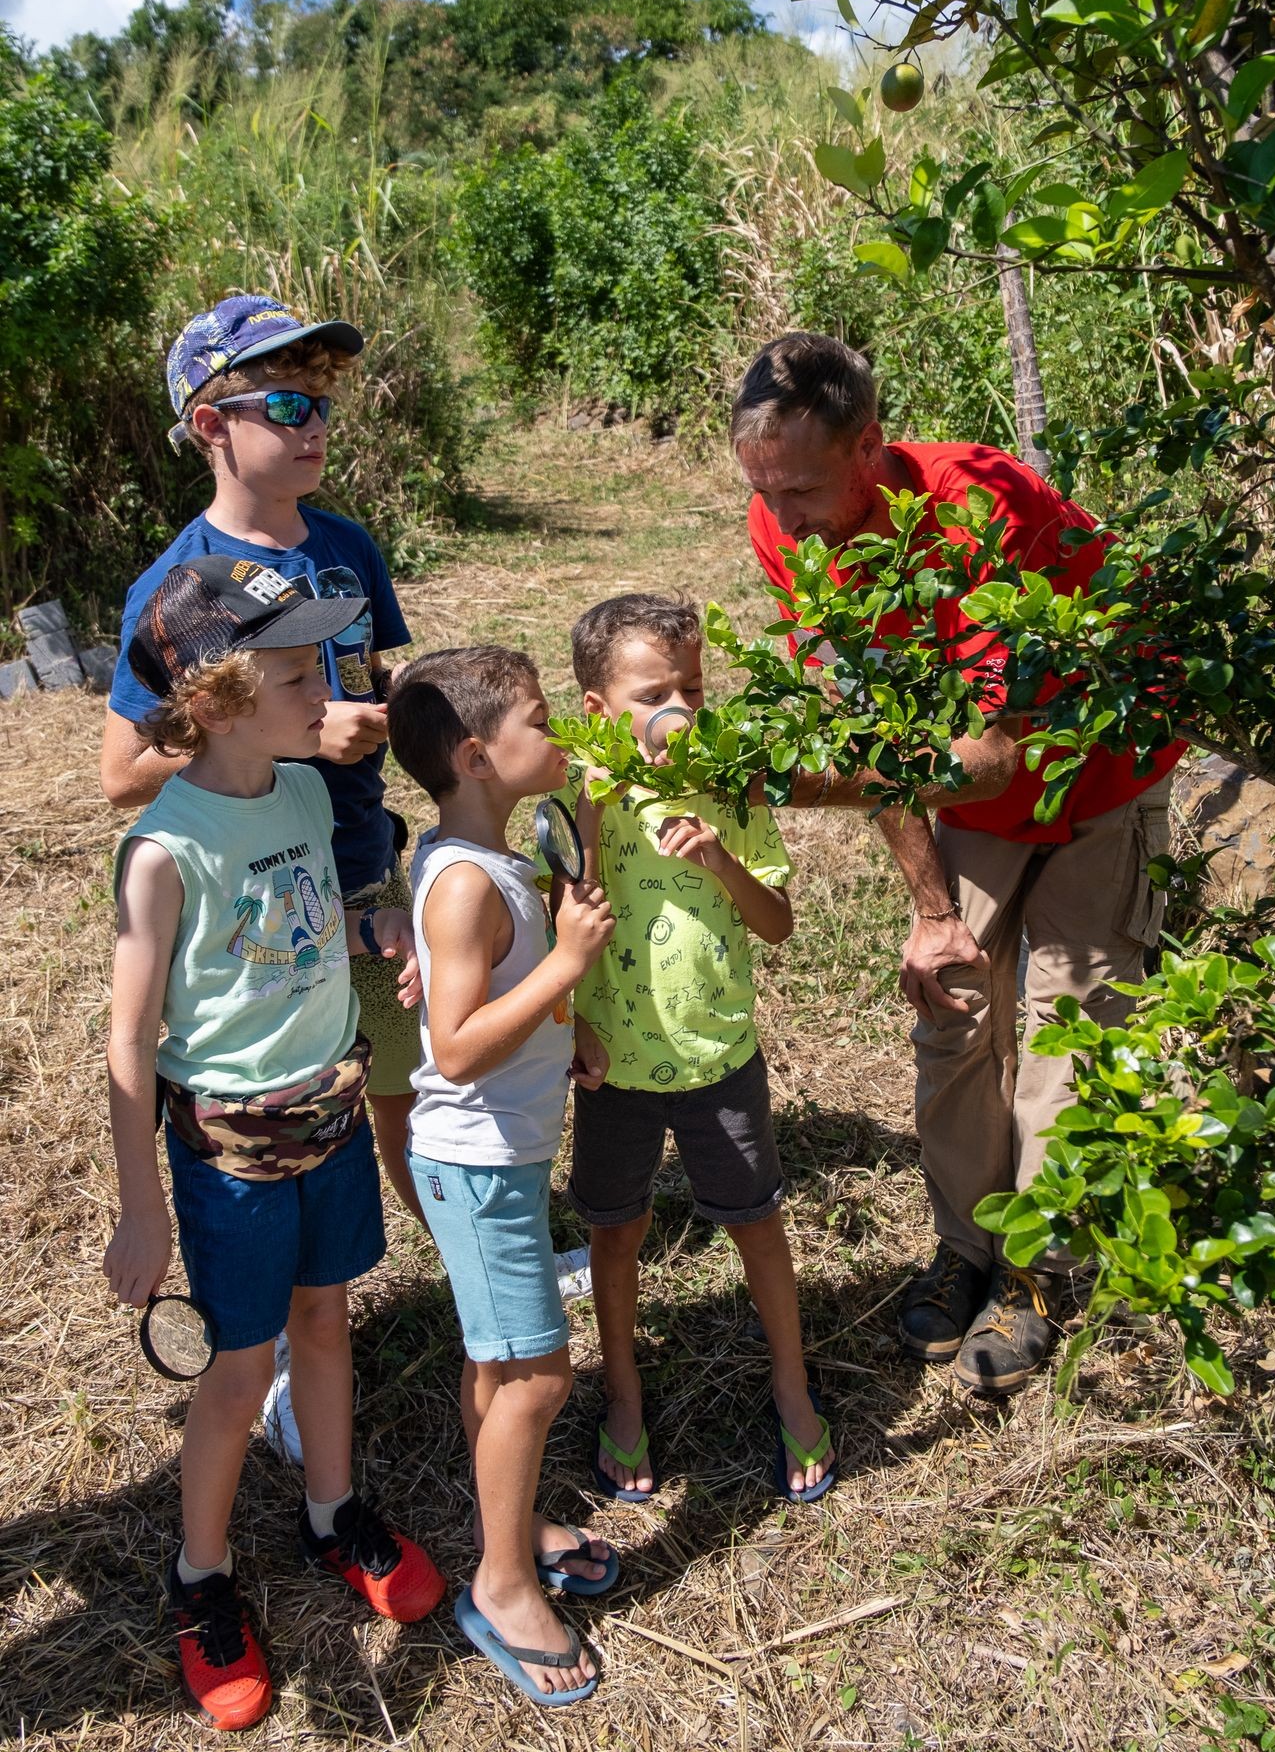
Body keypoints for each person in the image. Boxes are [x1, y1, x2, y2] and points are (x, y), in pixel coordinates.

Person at [731, 332, 1184, 1393]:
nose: (780, 519)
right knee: (951, 1003)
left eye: (799, 488)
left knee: (1072, 1024)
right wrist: (930, 906)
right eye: (760, 490)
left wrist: (787, 785)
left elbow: (984, 762)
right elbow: (878, 720)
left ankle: (1031, 1272)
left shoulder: (979, 505)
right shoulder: (784, 524)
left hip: (1093, 768)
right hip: (955, 769)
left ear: (871, 447)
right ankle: (965, 1243)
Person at [104, 556, 443, 1734]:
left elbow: (313, 908)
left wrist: (373, 916)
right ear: (218, 697)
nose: (328, 692)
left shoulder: (302, 795)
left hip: (335, 1119)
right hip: (231, 1158)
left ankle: (333, 1509)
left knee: (326, 1320)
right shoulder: (164, 850)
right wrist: (141, 1205)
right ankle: (200, 1578)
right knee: (241, 1373)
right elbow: (133, 1039)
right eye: (300, 671)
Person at [99, 295, 423, 1229]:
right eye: (284, 407)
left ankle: (448, 1269)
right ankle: (273, 1305)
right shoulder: (177, 587)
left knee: (396, 1087)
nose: (314, 424)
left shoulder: (347, 547)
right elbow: (123, 772)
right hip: (262, 900)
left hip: (359, 867)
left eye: (319, 403)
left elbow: (370, 672)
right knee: (278, 1099)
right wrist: (300, 741)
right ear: (211, 425)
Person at [386, 646, 618, 1707]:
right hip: (475, 1166)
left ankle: (510, 1523)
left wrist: (558, 1026)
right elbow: (455, 1044)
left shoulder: (493, 859)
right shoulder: (467, 883)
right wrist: (567, 967)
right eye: (537, 717)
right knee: (536, 1373)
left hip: (500, 1156)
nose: (557, 729)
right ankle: (504, 1583)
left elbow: (494, 1008)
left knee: (498, 1360)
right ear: (479, 756)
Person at [567, 594, 837, 1503]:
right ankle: (626, 1390)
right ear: (600, 711)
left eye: (693, 687)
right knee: (618, 1232)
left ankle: (791, 1386)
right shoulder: (580, 797)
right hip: (616, 1073)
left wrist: (723, 859)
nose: (681, 709)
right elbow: (559, 920)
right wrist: (576, 1023)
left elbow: (781, 924)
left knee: (756, 1222)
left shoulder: (730, 785)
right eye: (654, 694)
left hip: (720, 1059)